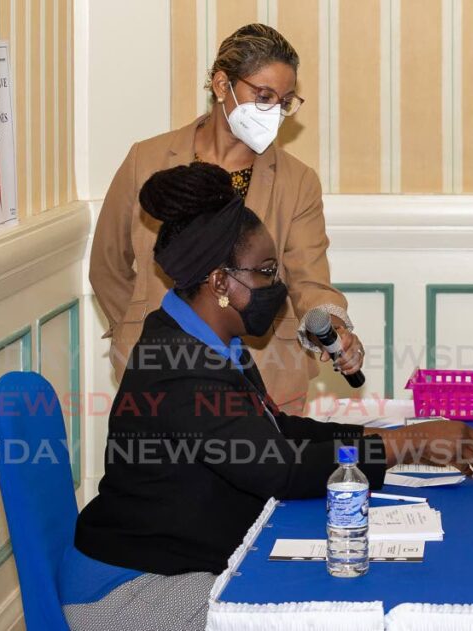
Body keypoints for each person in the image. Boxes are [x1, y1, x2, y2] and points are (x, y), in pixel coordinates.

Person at [59, 163, 473, 631]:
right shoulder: (177, 367)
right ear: (220, 282)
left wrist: (390, 436)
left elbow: (277, 430)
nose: (277, 286)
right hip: (133, 589)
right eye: (265, 272)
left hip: (183, 559)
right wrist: (406, 445)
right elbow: (278, 467)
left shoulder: (211, 339)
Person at [90, 23, 352, 411]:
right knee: (167, 473)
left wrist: (334, 324)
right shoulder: (145, 161)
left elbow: (309, 280)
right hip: (161, 371)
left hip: (266, 373)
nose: (274, 112)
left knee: (264, 470)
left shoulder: (298, 181)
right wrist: (141, 325)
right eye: (263, 96)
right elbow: (107, 265)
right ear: (220, 85)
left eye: (284, 102)